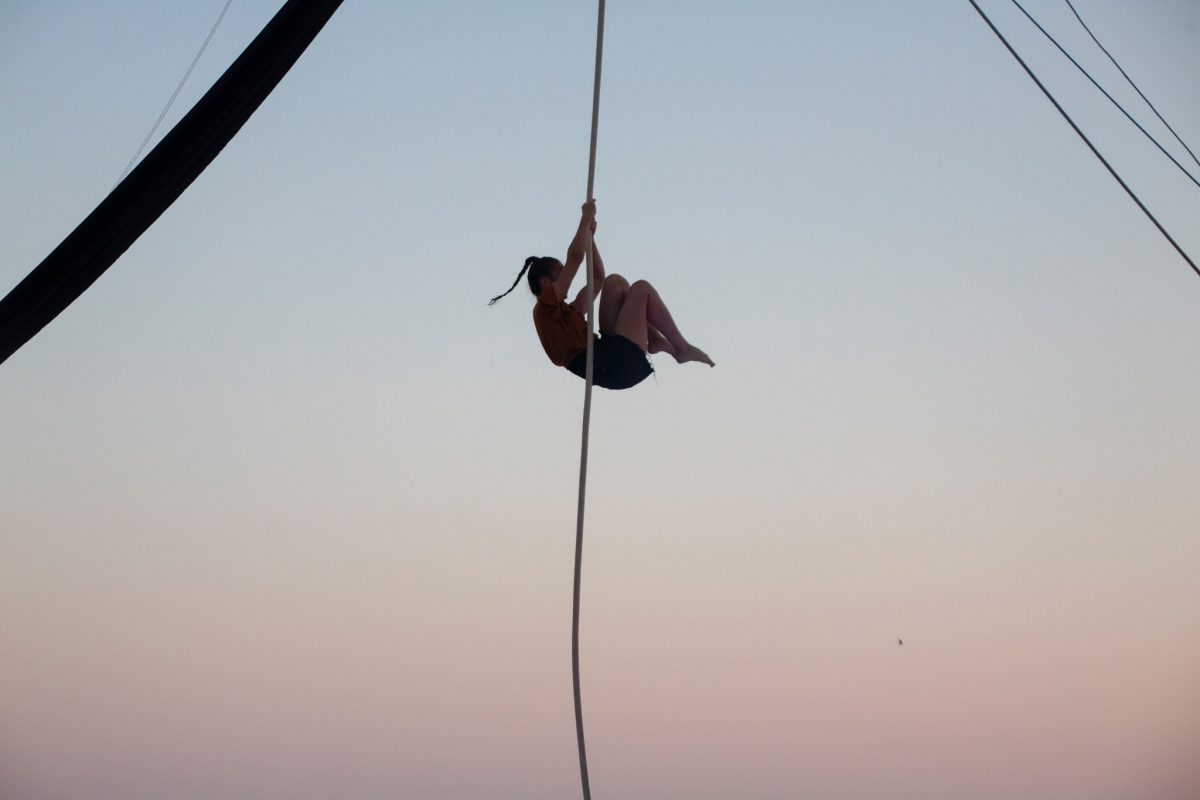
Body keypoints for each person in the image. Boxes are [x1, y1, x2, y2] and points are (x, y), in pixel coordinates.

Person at [488, 200, 714, 390]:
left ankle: (654, 339)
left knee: (615, 283)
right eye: (561, 275)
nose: (566, 279)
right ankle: (681, 348)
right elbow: (575, 259)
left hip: (609, 353)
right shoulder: (544, 309)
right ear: (545, 283)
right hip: (616, 366)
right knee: (641, 288)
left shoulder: (567, 313)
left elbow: (598, 278)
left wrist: (590, 239)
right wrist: (584, 218)